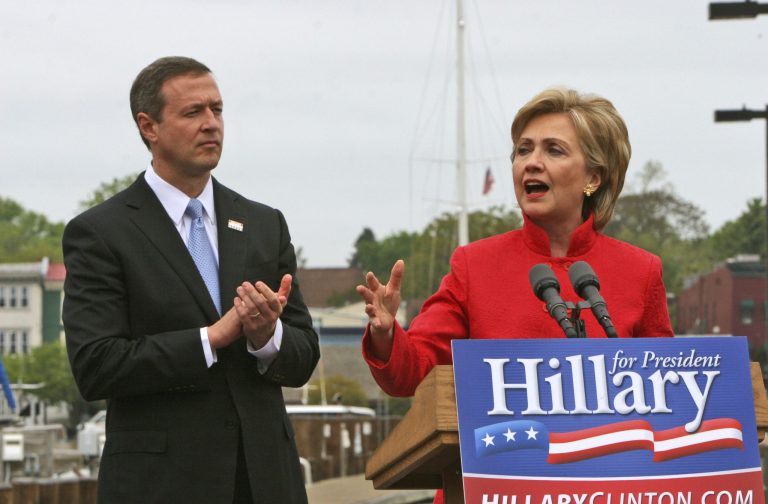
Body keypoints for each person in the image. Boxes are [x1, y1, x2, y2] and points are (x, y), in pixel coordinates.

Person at [62, 57, 319, 504]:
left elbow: (304, 354)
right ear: (149, 127)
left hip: (264, 481)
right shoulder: (101, 233)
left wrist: (267, 337)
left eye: (217, 110)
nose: (211, 125)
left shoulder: (263, 224)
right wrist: (210, 338)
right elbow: (96, 365)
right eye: (192, 112)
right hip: (159, 484)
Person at [357, 87, 674, 406]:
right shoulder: (474, 265)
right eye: (523, 150)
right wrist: (386, 334)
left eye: (554, 151)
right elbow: (415, 370)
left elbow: (672, 391)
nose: (531, 163)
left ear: (593, 177)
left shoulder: (641, 272)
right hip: (508, 452)